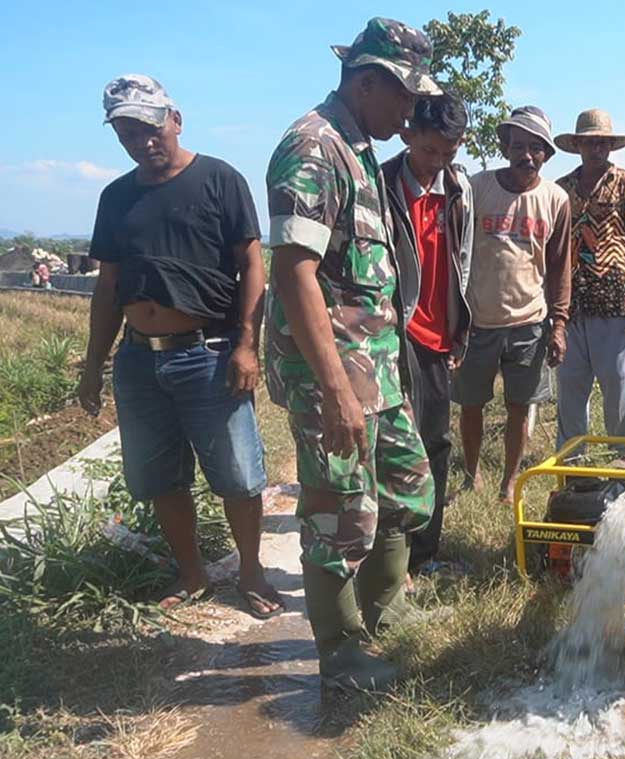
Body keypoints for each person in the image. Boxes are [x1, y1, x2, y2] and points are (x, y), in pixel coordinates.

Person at [264, 17, 439, 691]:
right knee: (339, 510)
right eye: (404, 96)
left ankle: (386, 608)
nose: (412, 110)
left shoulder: (359, 144)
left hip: (378, 368)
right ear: (368, 83)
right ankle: (340, 650)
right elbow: (294, 272)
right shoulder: (312, 148)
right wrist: (336, 389)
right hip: (332, 374)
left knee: (404, 491)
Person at [79, 74, 281, 619]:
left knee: (237, 474)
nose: (141, 140)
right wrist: (94, 365)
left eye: (149, 126)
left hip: (209, 353)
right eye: (126, 131)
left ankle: (251, 571)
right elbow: (107, 285)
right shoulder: (116, 197)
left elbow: (252, 266)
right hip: (139, 357)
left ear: (175, 119)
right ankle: (191, 575)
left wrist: (246, 345)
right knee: (160, 475)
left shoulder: (219, 179)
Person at [454, 106, 571, 503]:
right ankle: (472, 476)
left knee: (520, 406)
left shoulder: (555, 199)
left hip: (529, 322)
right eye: (518, 146)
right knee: (471, 404)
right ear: (504, 147)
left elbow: (559, 267)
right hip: (478, 320)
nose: (527, 155)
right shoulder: (476, 188)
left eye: (536, 148)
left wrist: (558, 324)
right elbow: (455, 252)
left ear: (546, 154)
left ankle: (509, 482)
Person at [380, 93, 474, 574]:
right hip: (392, 335)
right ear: (407, 134)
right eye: (429, 150)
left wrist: (458, 329)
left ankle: (423, 556)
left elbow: (462, 261)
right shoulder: (379, 184)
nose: (436, 162)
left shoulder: (458, 188)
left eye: (448, 152)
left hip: (439, 336)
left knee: (435, 444)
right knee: (393, 445)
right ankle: (384, 560)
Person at [554, 109, 625, 451]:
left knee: (621, 393)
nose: (595, 149)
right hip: (570, 307)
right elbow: (552, 250)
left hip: (616, 305)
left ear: (610, 146)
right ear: (579, 146)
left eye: (601, 143)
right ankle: (573, 474)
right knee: (570, 395)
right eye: (589, 143)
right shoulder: (561, 190)